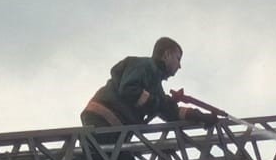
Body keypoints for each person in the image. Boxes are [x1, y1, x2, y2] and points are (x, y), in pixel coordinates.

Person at [81, 37, 216, 128]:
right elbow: (129, 90)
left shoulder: (154, 84)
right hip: (105, 116)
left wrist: (198, 116)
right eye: (178, 58)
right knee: (93, 159)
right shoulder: (143, 66)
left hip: (115, 125)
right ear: (167, 54)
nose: (179, 66)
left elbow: (169, 112)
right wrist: (158, 103)